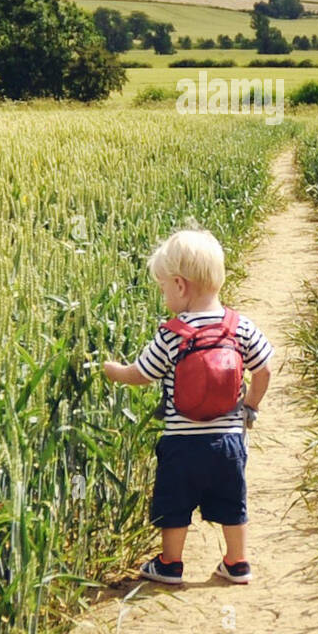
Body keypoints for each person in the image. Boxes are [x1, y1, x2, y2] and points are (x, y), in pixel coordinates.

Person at [103, 228, 273, 585]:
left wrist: (115, 372)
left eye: (163, 287)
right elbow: (264, 368)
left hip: (181, 444)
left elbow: (142, 374)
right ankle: (238, 562)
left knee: (174, 504)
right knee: (232, 500)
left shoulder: (172, 334)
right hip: (228, 442)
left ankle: (170, 564)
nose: (163, 294)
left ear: (180, 286)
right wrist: (250, 407)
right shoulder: (239, 326)